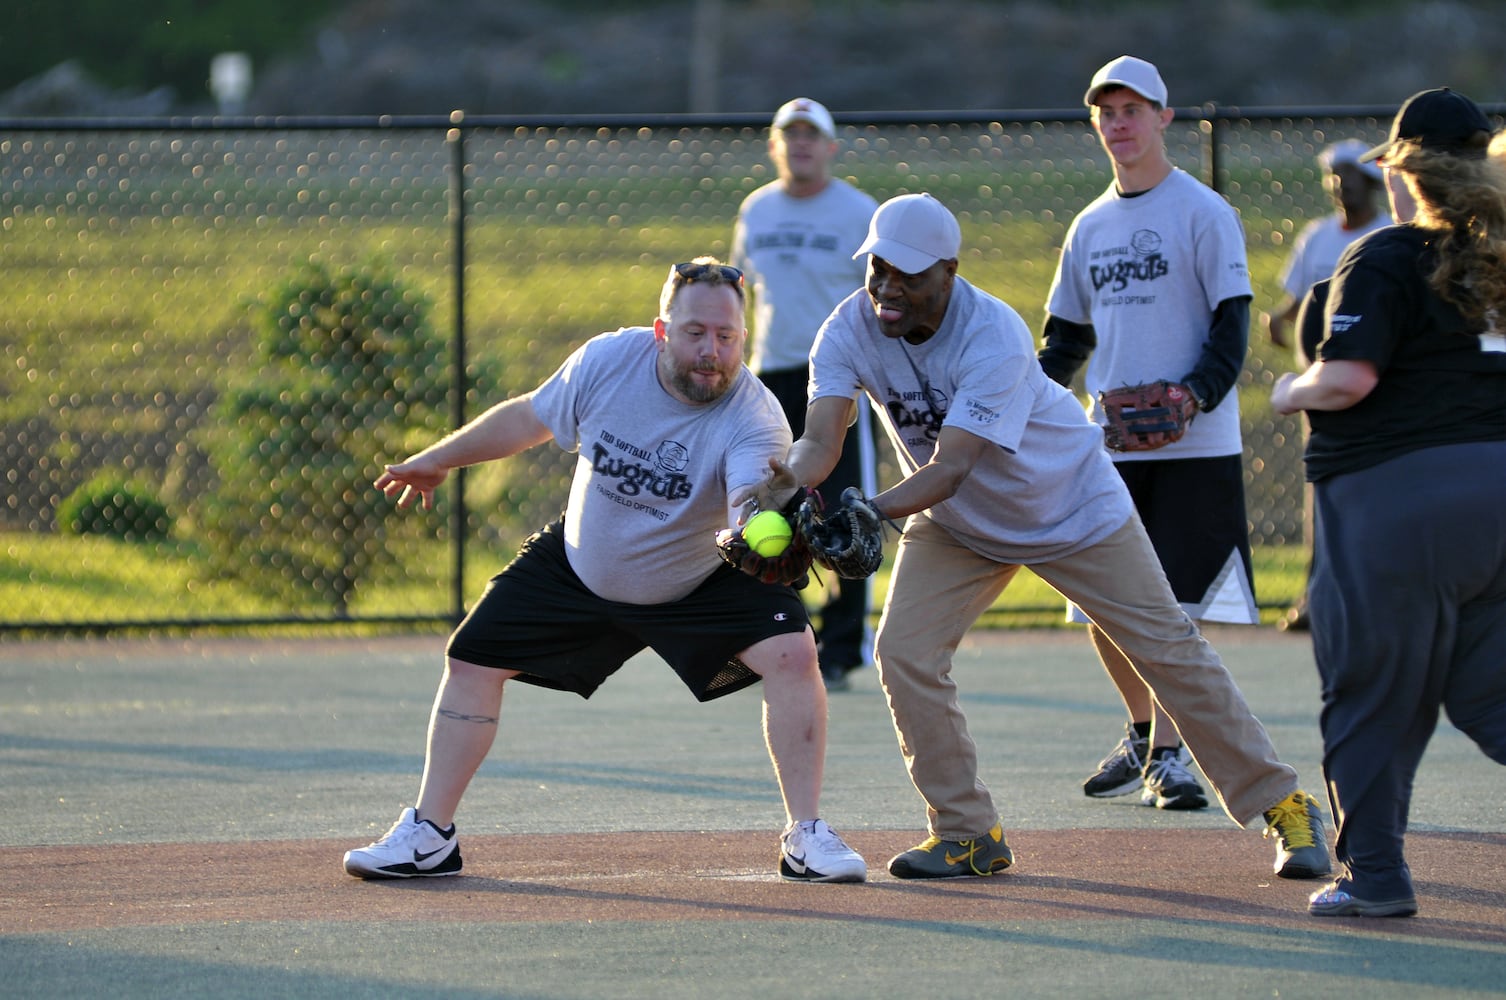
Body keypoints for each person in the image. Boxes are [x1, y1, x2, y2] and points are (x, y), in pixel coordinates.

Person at [744, 190, 1331, 883]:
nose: (887, 286)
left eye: (906, 273)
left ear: (949, 272)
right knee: (904, 654)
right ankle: (967, 833)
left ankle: (1285, 804)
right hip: (958, 526)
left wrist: (870, 513)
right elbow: (820, 440)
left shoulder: (992, 333)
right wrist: (774, 498)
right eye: (877, 267)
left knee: (1169, 649)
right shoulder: (848, 327)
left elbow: (955, 465)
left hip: (1070, 506)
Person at [343, 257, 867, 884]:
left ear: (744, 339)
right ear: (660, 330)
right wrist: (438, 460)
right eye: (695, 332)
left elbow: (747, 505)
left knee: (793, 653)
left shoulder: (754, 417)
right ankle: (430, 836)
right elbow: (530, 417)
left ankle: (806, 836)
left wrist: (763, 527)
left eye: (727, 337)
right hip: (581, 564)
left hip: (697, 577)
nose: (712, 351)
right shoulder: (608, 362)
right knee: (472, 658)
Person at [1272, 88, 1506, 918]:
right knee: (1492, 690)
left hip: (1400, 501)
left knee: (1372, 691)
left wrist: (1287, 391)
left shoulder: (1385, 252)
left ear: (1402, 171)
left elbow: (1348, 379)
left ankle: (1375, 878)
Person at [1039, 55, 1256, 812]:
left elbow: (1234, 327)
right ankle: (1143, 732)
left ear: (1165, 118)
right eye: (1107, 110)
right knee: (1102, 603)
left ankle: (1171, 754)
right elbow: (1063, 342)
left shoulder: (1203, 212)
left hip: (1196, 445)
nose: (1119, 123)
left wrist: (1194, 396)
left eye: (1134, 108)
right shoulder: (1090, 226)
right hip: (1113, 447)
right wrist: (1027, 412)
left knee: (1177, 606)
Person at [731, 97, 880, 691]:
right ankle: (785, 635)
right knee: (773, 507)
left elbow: (877, 303)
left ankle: (844, 645)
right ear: (775, 147)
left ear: (830, 147)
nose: (800, 146)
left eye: (811, 136)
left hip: (838, 381)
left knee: (847, 509)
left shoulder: (858, 211)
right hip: (770, 377)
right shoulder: (756, 211)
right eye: (789, 136)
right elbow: (742, 293)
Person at [1265, 139, 1392, 632]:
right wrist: (1278, 323)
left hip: (1373, 388)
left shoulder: (1389, 235)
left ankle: (1372, 597)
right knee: (1321, 495)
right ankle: (1316, 598)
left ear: (1373, 183)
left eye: (1350, 176)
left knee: (1374, 493)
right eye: (1333, 177)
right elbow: (1294, 305)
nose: (1340, 186)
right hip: (1320, 390)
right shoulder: (1317, 237)